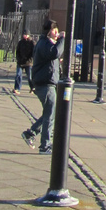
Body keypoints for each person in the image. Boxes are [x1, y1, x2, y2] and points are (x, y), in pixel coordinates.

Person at [22, 19, 65, 152]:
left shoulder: (46, 43)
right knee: (50, 115)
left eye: (57, 30)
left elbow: (52, 57)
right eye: (54, 30)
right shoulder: (45, 43)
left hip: (48, 83)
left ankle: (31, 133)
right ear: (49, 31)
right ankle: (45, 145)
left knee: (49, 113)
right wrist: (62, 40)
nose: (57, 32)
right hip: (45, 84)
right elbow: (54, 53)